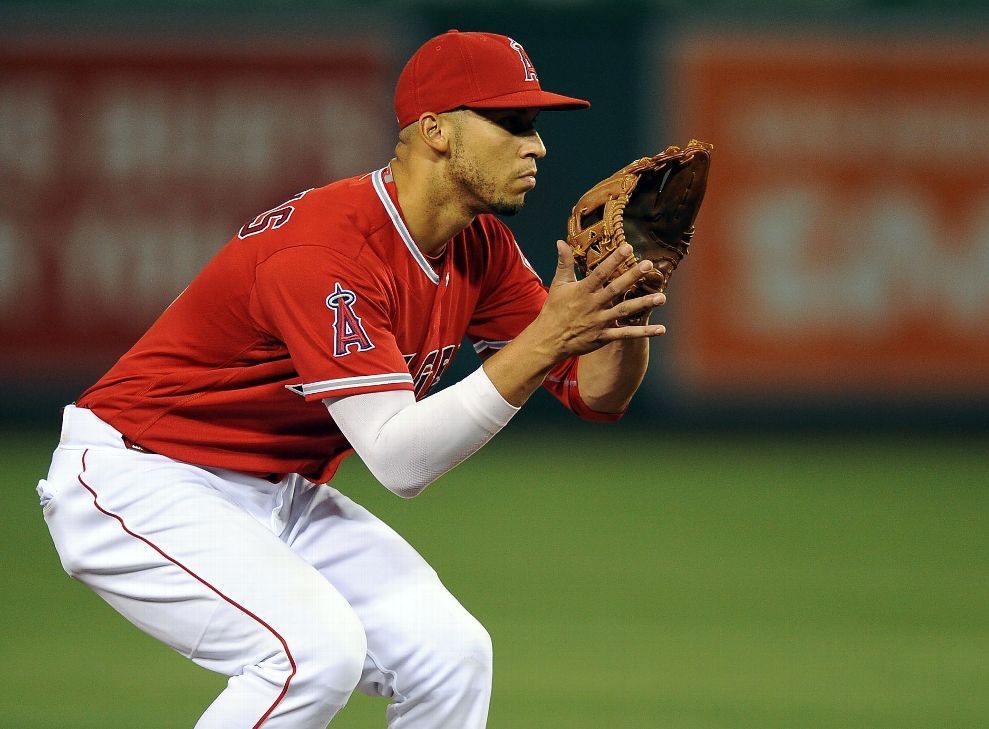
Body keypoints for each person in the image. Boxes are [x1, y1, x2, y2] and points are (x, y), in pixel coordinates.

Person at [36, 30, 665, 728]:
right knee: (310, 653)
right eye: (511, 122)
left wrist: (628, 300)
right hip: (139, 474)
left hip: (273, 488)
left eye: (535, 125)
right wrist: (549, 335)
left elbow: (594, 392)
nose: (536, 145)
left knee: (450, 655)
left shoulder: (478, 247)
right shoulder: (327, 250)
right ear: (435, 132)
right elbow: (399, 460)